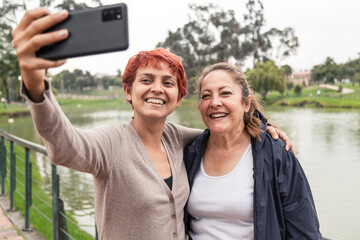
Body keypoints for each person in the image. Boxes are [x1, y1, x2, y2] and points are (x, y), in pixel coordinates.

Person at [11, 8, 294, 240]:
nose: (157, 89)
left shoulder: (177, 138)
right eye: (146, 80)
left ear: (179, 97)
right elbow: (64, 146)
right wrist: (35, 84)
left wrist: (262, 126)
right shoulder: (111, 143)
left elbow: (226, 129)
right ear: (128, 92)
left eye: (167, 83)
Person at [184, 62, 322, 240]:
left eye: (225, 93)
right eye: (206, 96)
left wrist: (265, 127)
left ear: (246, 103)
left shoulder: (276, 153)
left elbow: (304, 231)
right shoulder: (190, 153)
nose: (215, 102)